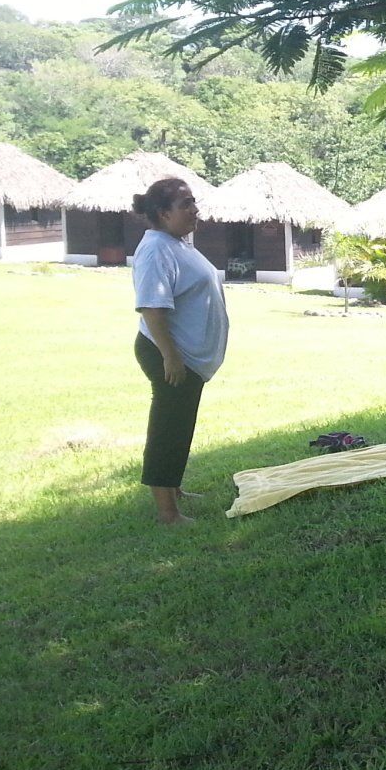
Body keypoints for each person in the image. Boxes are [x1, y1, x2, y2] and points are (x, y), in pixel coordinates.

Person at [130, 177, 229, 526]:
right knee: (168, 428)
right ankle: (168, 513)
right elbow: (152, 307)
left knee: (180, 424)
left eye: (194, 202)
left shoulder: (176, 243)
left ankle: (174, 489)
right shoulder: (156, 248)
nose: (194, 210)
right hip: (169, 354)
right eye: (186, 204)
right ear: (163, 213)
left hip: (184, 356)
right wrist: (170, 357)